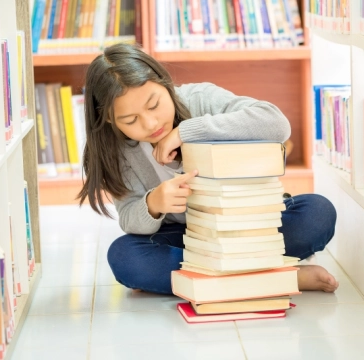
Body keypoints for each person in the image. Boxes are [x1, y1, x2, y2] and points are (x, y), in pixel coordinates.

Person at [78, 43, 339, 295]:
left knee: (317, 213)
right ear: (111, 119)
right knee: (125, 256)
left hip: (244, 226)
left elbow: (276, 124)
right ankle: (277, 277)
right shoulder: (116, 149)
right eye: (131, 120)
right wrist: (152, 203)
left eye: (154, 105)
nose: (150, 123)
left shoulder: (200, 99)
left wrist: (187, 131)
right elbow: (129, 218)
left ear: (164, 83)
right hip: (187, 239)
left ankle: (208, 281)